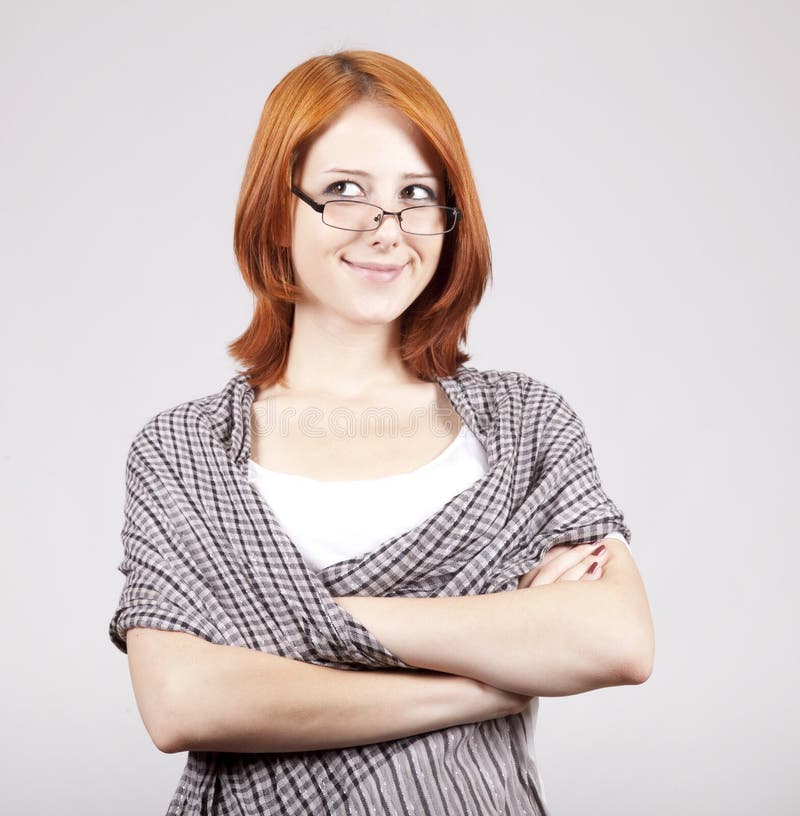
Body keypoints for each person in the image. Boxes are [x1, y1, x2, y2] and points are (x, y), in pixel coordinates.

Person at [110, 49, 654, 815]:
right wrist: (482, 681)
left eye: (418, 196)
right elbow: (182, 702)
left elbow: (618, 639)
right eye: (344, 192)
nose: (387, 230)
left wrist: (281, 626)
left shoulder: (525, 422)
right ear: (276, 209)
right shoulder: (184, 451)